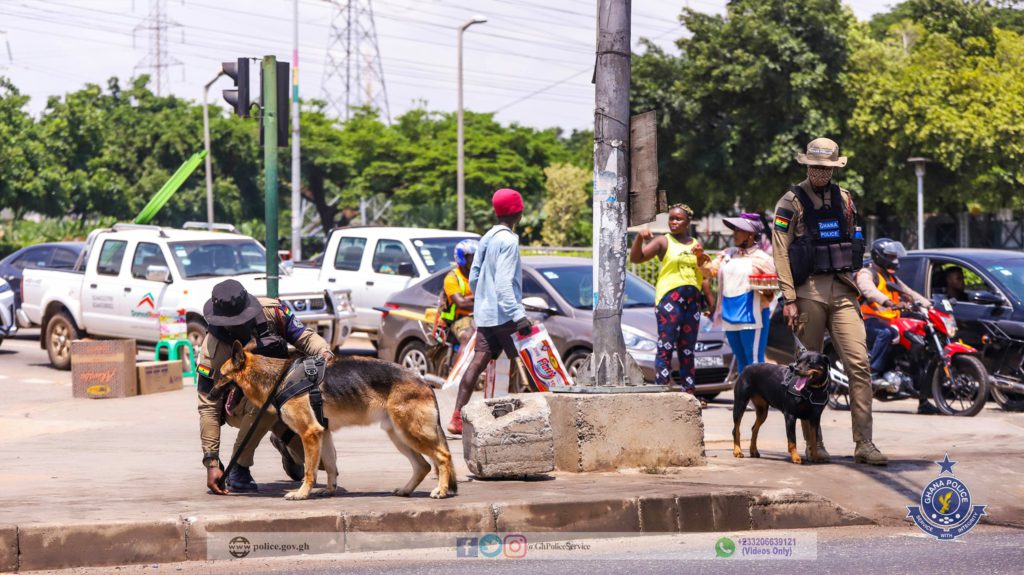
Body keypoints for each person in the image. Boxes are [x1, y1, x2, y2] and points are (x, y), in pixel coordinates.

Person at [772, 137, 887, 466]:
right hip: (807, 291)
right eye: (815, 166)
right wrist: (789, 297)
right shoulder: (789, 202)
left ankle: (864, 443)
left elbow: (855, 243)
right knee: (805, 371)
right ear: (807, 165)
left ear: (835, 168)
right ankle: (813, 443)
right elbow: (780, 251)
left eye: (826, 167)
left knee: (860, 366)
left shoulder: (846, 199)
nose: (820, 172)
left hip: (843, 289)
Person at [197, 279, 334, 494]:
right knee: (265, 402)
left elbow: (304, 337)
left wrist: (324, 352)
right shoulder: (212, 349)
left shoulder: (274, 312)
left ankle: (285, 443)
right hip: (241, 407)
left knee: (324, 464)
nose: (236, 324)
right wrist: (212, 462)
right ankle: (240, 468)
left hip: (287, 396)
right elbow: (208, 406)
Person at [447, 189, 533, 435]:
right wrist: (518, 316)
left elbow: (475, 276)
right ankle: (542, 416)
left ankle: (457, 418)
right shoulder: (509, 241)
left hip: (485, 315)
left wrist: (485, 299)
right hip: (506, 316)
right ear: (518, 211)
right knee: (532, 360)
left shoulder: (486, 238)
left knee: (477, 363)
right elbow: (505, 284)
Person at [630, 203, 714, 406]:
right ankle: (662, 392)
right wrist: (640, 238)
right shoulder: (663, 241)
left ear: (688, 222)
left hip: (692, 302)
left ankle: (689, 394)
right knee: (666, 346)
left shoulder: (695, 243)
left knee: (688, 349)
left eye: (679, 219)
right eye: (671, 218)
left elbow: (704, 275)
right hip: (670, 300)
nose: (674, 222)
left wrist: (711, 303)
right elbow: (637, 258)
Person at [856, 238, 940, 415]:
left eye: (895, 256)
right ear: (879, 256)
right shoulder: (867, 273)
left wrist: (929, 305)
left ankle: (923, 400)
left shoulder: (890, 276)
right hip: (867, 320)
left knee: (918, 348)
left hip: (889, 321)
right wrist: (886, 301)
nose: (894, 259)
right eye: (890, 256)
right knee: (886, 333)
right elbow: (868, 291)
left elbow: (909, 293)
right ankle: (873, 373)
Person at [708, 213, 776, 374]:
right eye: (735, 230)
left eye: (739, 230)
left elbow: (775, 286)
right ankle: (745, 398)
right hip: (729, 315)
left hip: (753, 316)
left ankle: (759, 399)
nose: (734, 233)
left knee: (754, 361)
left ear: (751, 234)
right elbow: (709, 270)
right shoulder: (728, 254)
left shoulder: (764, 259)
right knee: (741, 361)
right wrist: (699, 257)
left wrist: (767, 290)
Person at [440, 239, 479, 348]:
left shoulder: (481, 276)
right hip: (458, 319)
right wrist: (485, 303)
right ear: (462, 258)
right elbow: (461, 303)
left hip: (480, 316)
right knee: (467, 337)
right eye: (473, 256)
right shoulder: (452, 278)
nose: (477, 260)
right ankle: (462, 366)